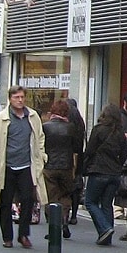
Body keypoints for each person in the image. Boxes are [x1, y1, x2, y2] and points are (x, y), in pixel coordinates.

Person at [0, 86, 47, 249]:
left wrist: (42, 156)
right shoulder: (0, 119)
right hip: (7, 167)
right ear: (10, 99)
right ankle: (7, 237)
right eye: (16, 97)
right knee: (6, 202)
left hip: (26, 166)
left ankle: (23, 234)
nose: (20, 100)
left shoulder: (32, 117)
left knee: (28, 200)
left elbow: (40, 138)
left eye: (22, 97)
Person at [83, 105, 127, 245]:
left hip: (99, 171)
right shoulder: (120, 133)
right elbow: (124, 156)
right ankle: (106, 236)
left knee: (90, 202)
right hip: (114, 173)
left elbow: (89, 151)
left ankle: (105, 228)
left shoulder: (98, 130)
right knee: (107, 205)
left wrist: (84, 166)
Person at [42, 99, 83, 239]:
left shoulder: (45, 127)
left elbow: (40, 146)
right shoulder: (71, 128)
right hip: (66, 166)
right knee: (65, 195)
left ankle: (54, 226)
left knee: (51, 196)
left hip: (50, 166)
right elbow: (77, 148)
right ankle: (65, 221)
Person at [64, 98, 86, 225]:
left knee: (66, 185)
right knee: (76, 185)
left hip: (67, 157)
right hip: (79, 156)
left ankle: (65, 214)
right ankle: (74, 215)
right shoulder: (80, 123)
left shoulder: (67, 125)